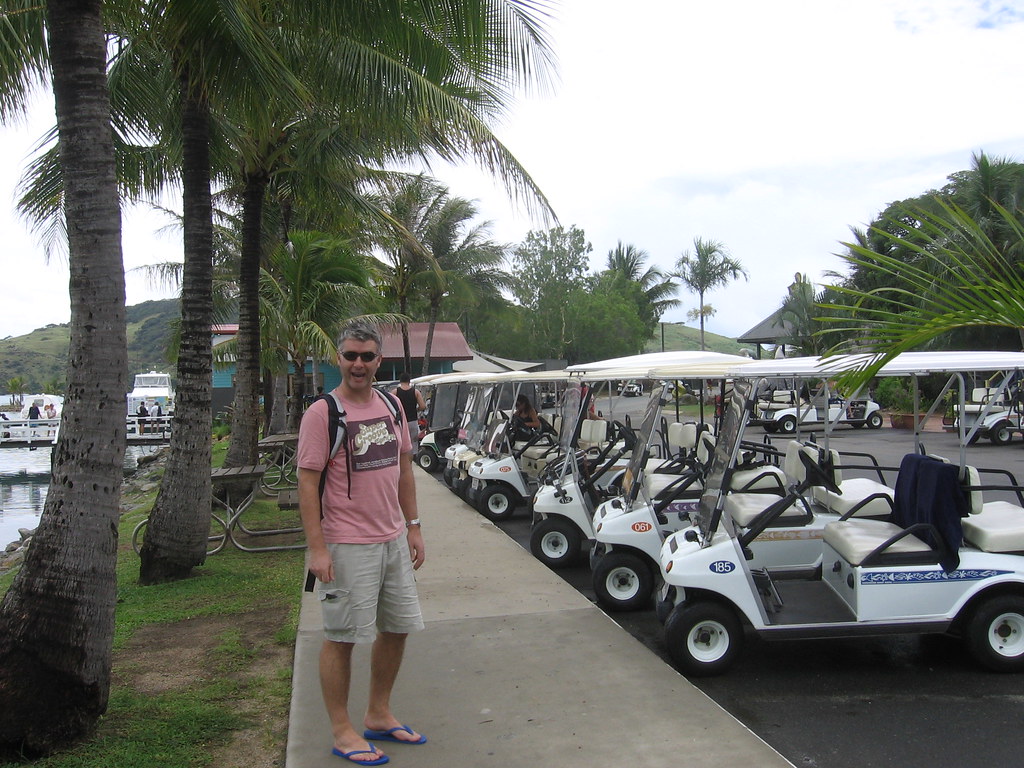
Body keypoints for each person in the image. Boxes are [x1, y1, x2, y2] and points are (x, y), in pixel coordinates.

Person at [297, 320, 426, 766]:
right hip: (347, 544)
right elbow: (307, 482)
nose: (358, 363)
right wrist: (317, 549)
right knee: (343, 637)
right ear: (339, 358)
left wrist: (413, 525)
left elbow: (405, 468)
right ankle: (342, 729)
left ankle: (378, 712)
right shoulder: (322, 413)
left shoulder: (392, 404)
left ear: (378, 360)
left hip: (392, 538)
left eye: (367, 356)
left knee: (397, 627)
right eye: (350, 355)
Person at [392, 372, 426, 450]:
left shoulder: (395, 392)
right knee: (413, 445)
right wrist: (416, 409)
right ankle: (410, 461)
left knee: (401, 444)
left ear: (400, 381)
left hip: (400, 422)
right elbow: (423, 406)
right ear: (409, 381)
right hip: (412, 421)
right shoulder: (416, 392)